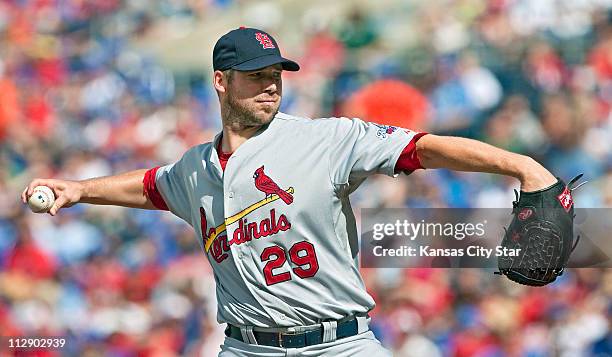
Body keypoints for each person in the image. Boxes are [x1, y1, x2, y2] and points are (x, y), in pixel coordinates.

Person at [22, 27, 557, 356]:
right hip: (245, 347)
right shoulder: (196, 169)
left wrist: (519, 165)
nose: (271, 84)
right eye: (255, 75)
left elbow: (424, 147)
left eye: (276, 72)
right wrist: (79, 190)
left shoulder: (327, 138)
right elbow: (150, 187)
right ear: (221, 81)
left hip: (340, 344)